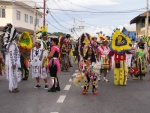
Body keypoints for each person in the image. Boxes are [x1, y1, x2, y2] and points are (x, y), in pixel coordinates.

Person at [3, 24, 21, 93]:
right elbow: (11, 54)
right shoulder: (12, 45)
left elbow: (16, 54)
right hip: (13, 63)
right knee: (12, 75)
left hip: (15, 62)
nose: (18, 37)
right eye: (17, 36)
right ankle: (11, 88)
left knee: (15, 75)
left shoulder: (15, 44)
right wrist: (13, 63)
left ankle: (15, 87)